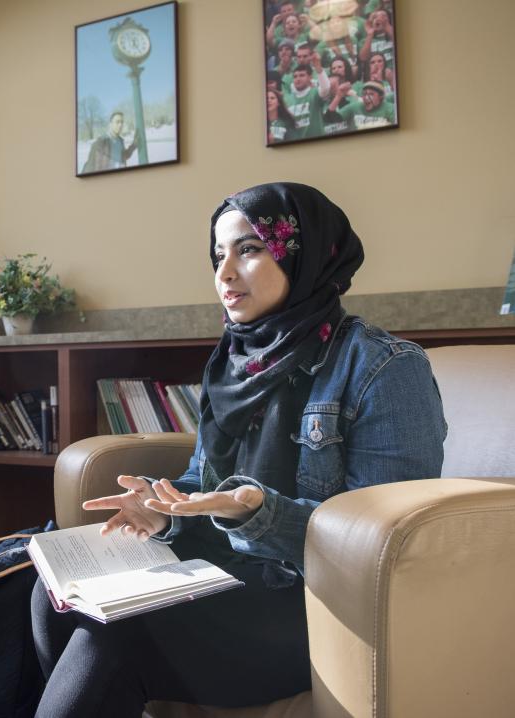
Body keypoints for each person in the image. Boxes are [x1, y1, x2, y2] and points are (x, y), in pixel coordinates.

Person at [31, 182, 447, 716]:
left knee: (111, 637)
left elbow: (386, 548)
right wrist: (163, 512)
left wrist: (259, 513)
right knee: (53, 598)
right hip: (223, 572)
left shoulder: (385, 368)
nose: (224, 273)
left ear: (303, 254)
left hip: (314, 605)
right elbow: (203, 485)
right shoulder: (233, 363)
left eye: (248, 249)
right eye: (217, 254)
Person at [329, 80, 396, 130]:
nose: (366, 97)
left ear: (380, 96)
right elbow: (330, 118)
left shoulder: (390, 108)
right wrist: (338, 96)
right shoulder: (355, 107)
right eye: (364, 94)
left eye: (371, 94)